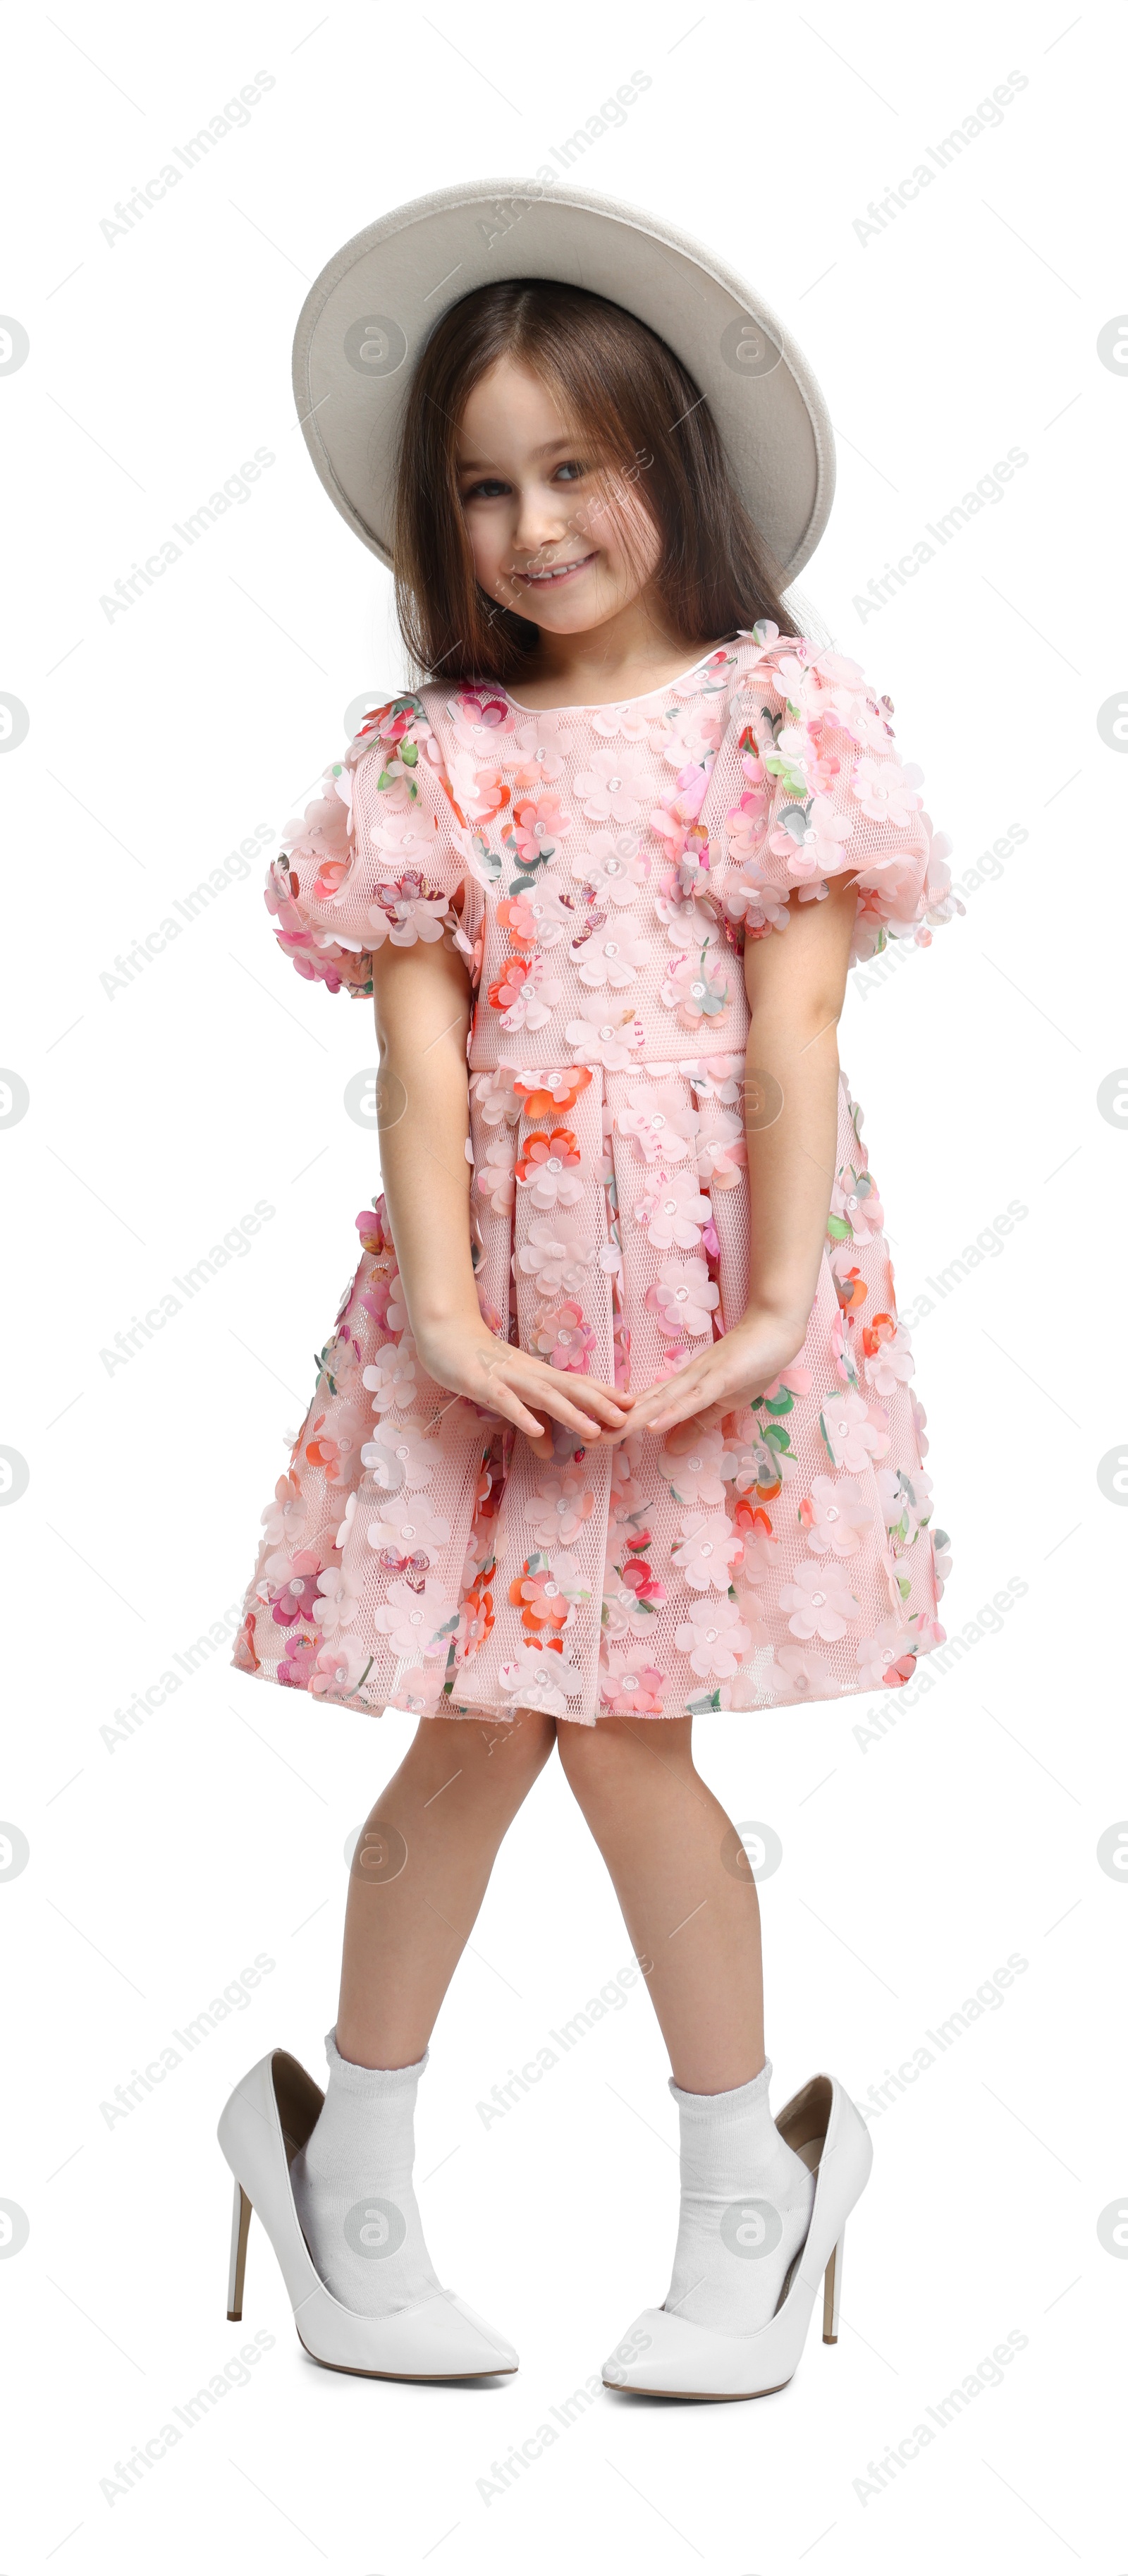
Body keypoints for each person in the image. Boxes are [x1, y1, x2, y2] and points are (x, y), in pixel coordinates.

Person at [219, 184, 959, 2401]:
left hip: (706, 1309)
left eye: (576, 464)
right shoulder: (428, 756)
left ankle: (748, 2196)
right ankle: (343, 2180)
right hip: (497, 1327)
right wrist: (440, 1317)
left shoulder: (777, 719)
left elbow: (794, 1034)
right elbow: (420, 1052)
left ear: (672, 463)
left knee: (636, 1737)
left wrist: (773, 1313)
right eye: (486, 484)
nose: (536, 523)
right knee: (476, 1729)